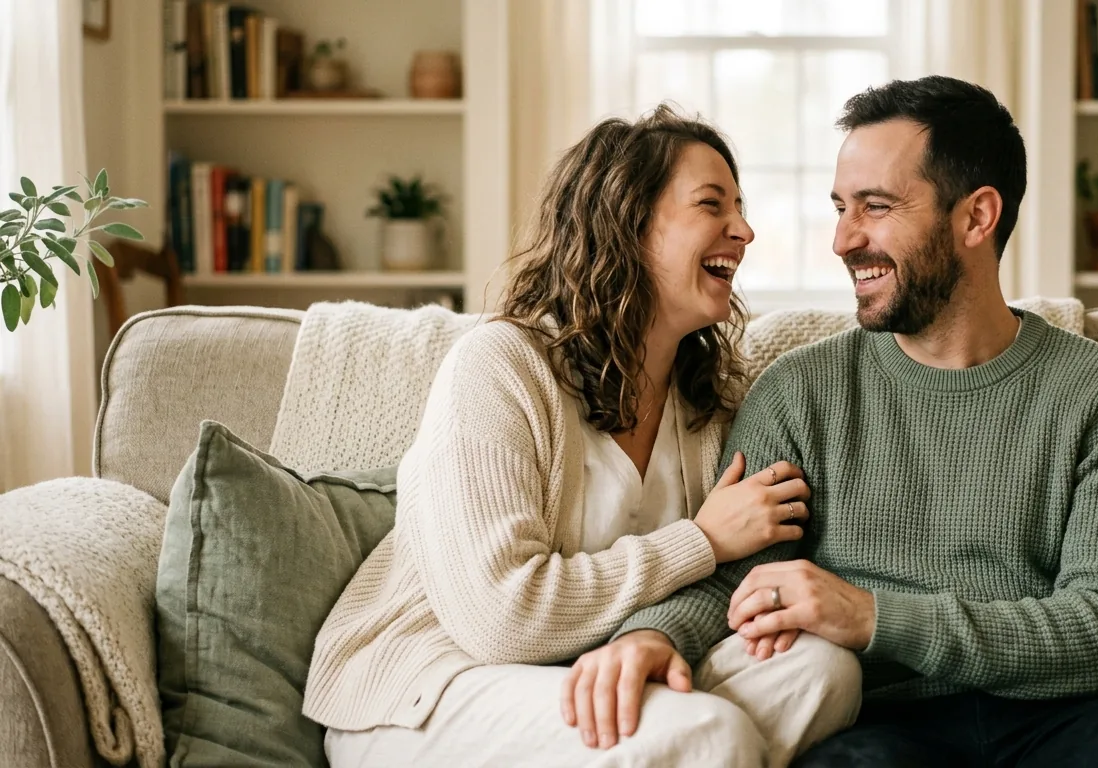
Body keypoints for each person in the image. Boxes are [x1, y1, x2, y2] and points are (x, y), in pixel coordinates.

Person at [567, 76, 1098, 767]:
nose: (843, 240)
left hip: (1068, 721)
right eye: (840, 208)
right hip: (878, 729)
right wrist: (653, 637)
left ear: (976, 218)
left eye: (875, 207)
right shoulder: (799, 393)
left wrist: (872, 617)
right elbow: (737, 586)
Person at [301, 105, 861, 767]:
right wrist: (702, 541)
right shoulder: (501, 367)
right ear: (627, 222)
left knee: (821, 672)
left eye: (739, 207)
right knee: (708, 734)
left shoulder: (709, 402)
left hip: (588, 673)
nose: (742, 230)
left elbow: (721, 592)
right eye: (712, 205)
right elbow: (500, 617)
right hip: (431, 685)